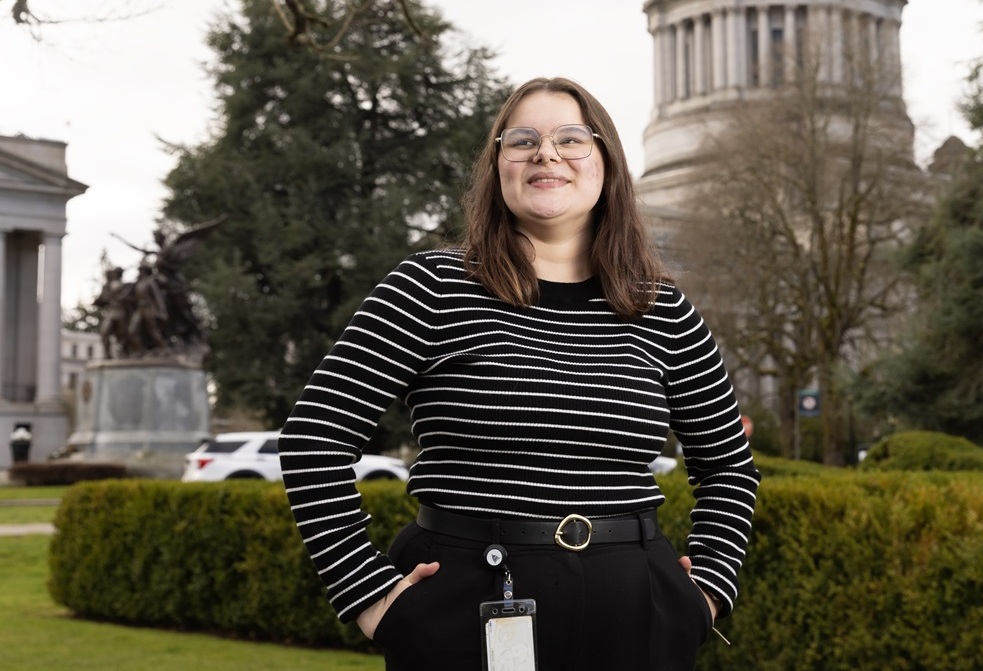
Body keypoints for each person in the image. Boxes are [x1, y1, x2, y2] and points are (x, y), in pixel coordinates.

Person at [280, 77, 760, 671]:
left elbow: (729, 467)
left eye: (571, 139)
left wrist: (706, 593)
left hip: (637, 612)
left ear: (606, 163)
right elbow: (312, 444)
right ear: (497, 166)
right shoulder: (430, 289)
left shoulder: (664, 311)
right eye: (522, 140)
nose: (546, 153)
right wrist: (371, 598)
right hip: (467, 606)